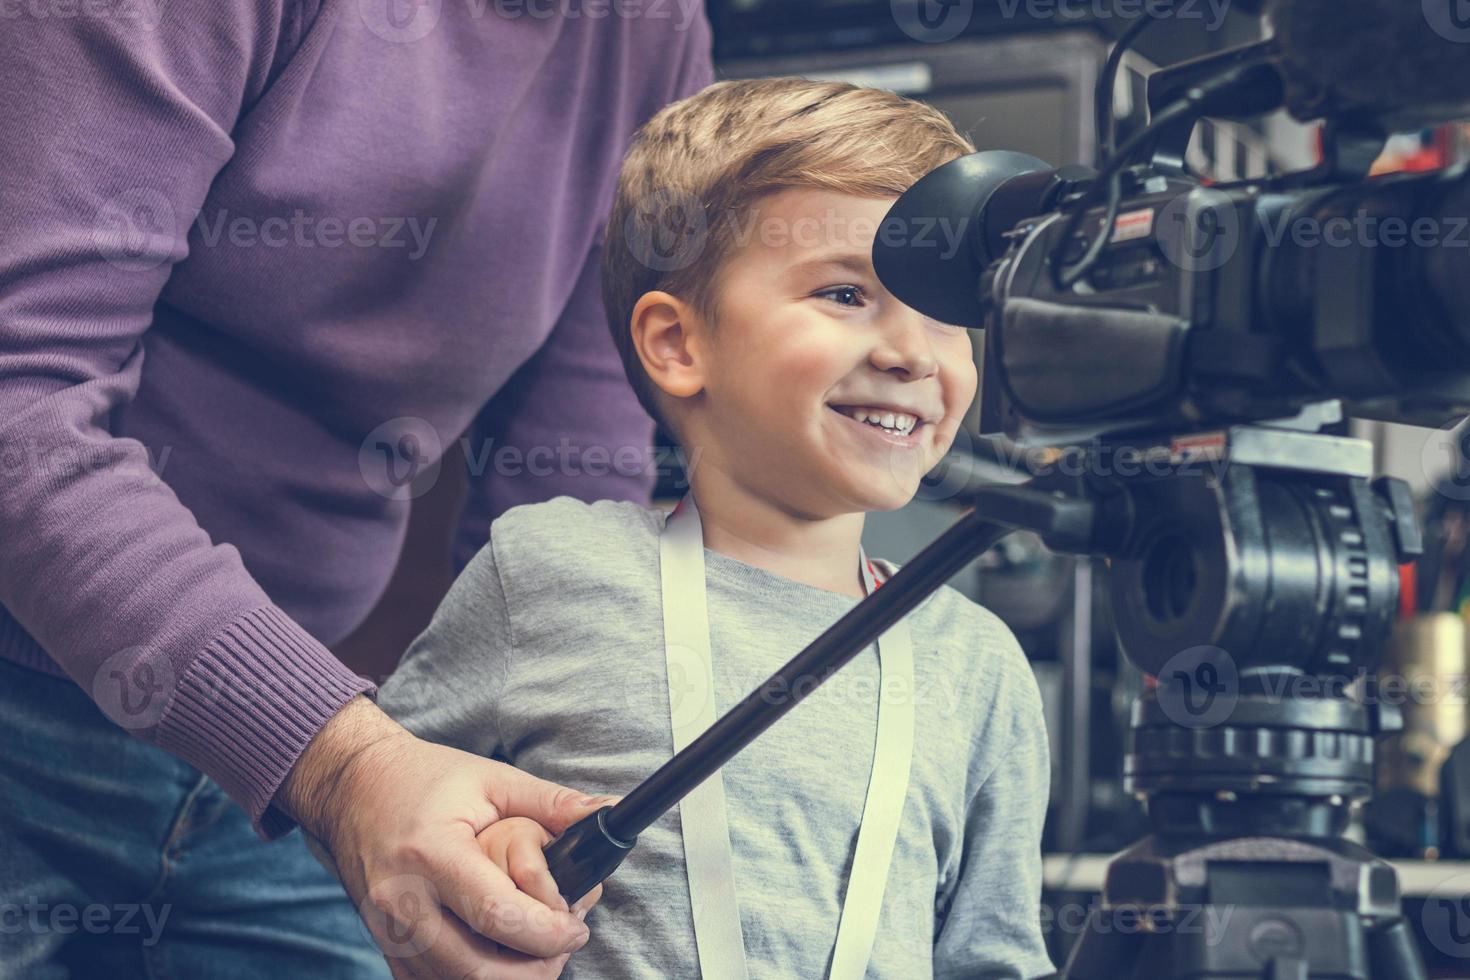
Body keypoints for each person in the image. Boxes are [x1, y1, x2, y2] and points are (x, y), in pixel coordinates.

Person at [0, 3, 713, 978]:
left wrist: (541, 799)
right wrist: (344, 764)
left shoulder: (650, 30)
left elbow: (564, 475)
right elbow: (18, 406)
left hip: (273, 761)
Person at [380, 77, 1056, 979]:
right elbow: (382, 827)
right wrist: (477, 863)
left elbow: (991, 956)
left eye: (946, 312)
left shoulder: (981, 666)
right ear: (677, 344)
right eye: (847, 294)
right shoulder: (545, 570)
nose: (910, 352)